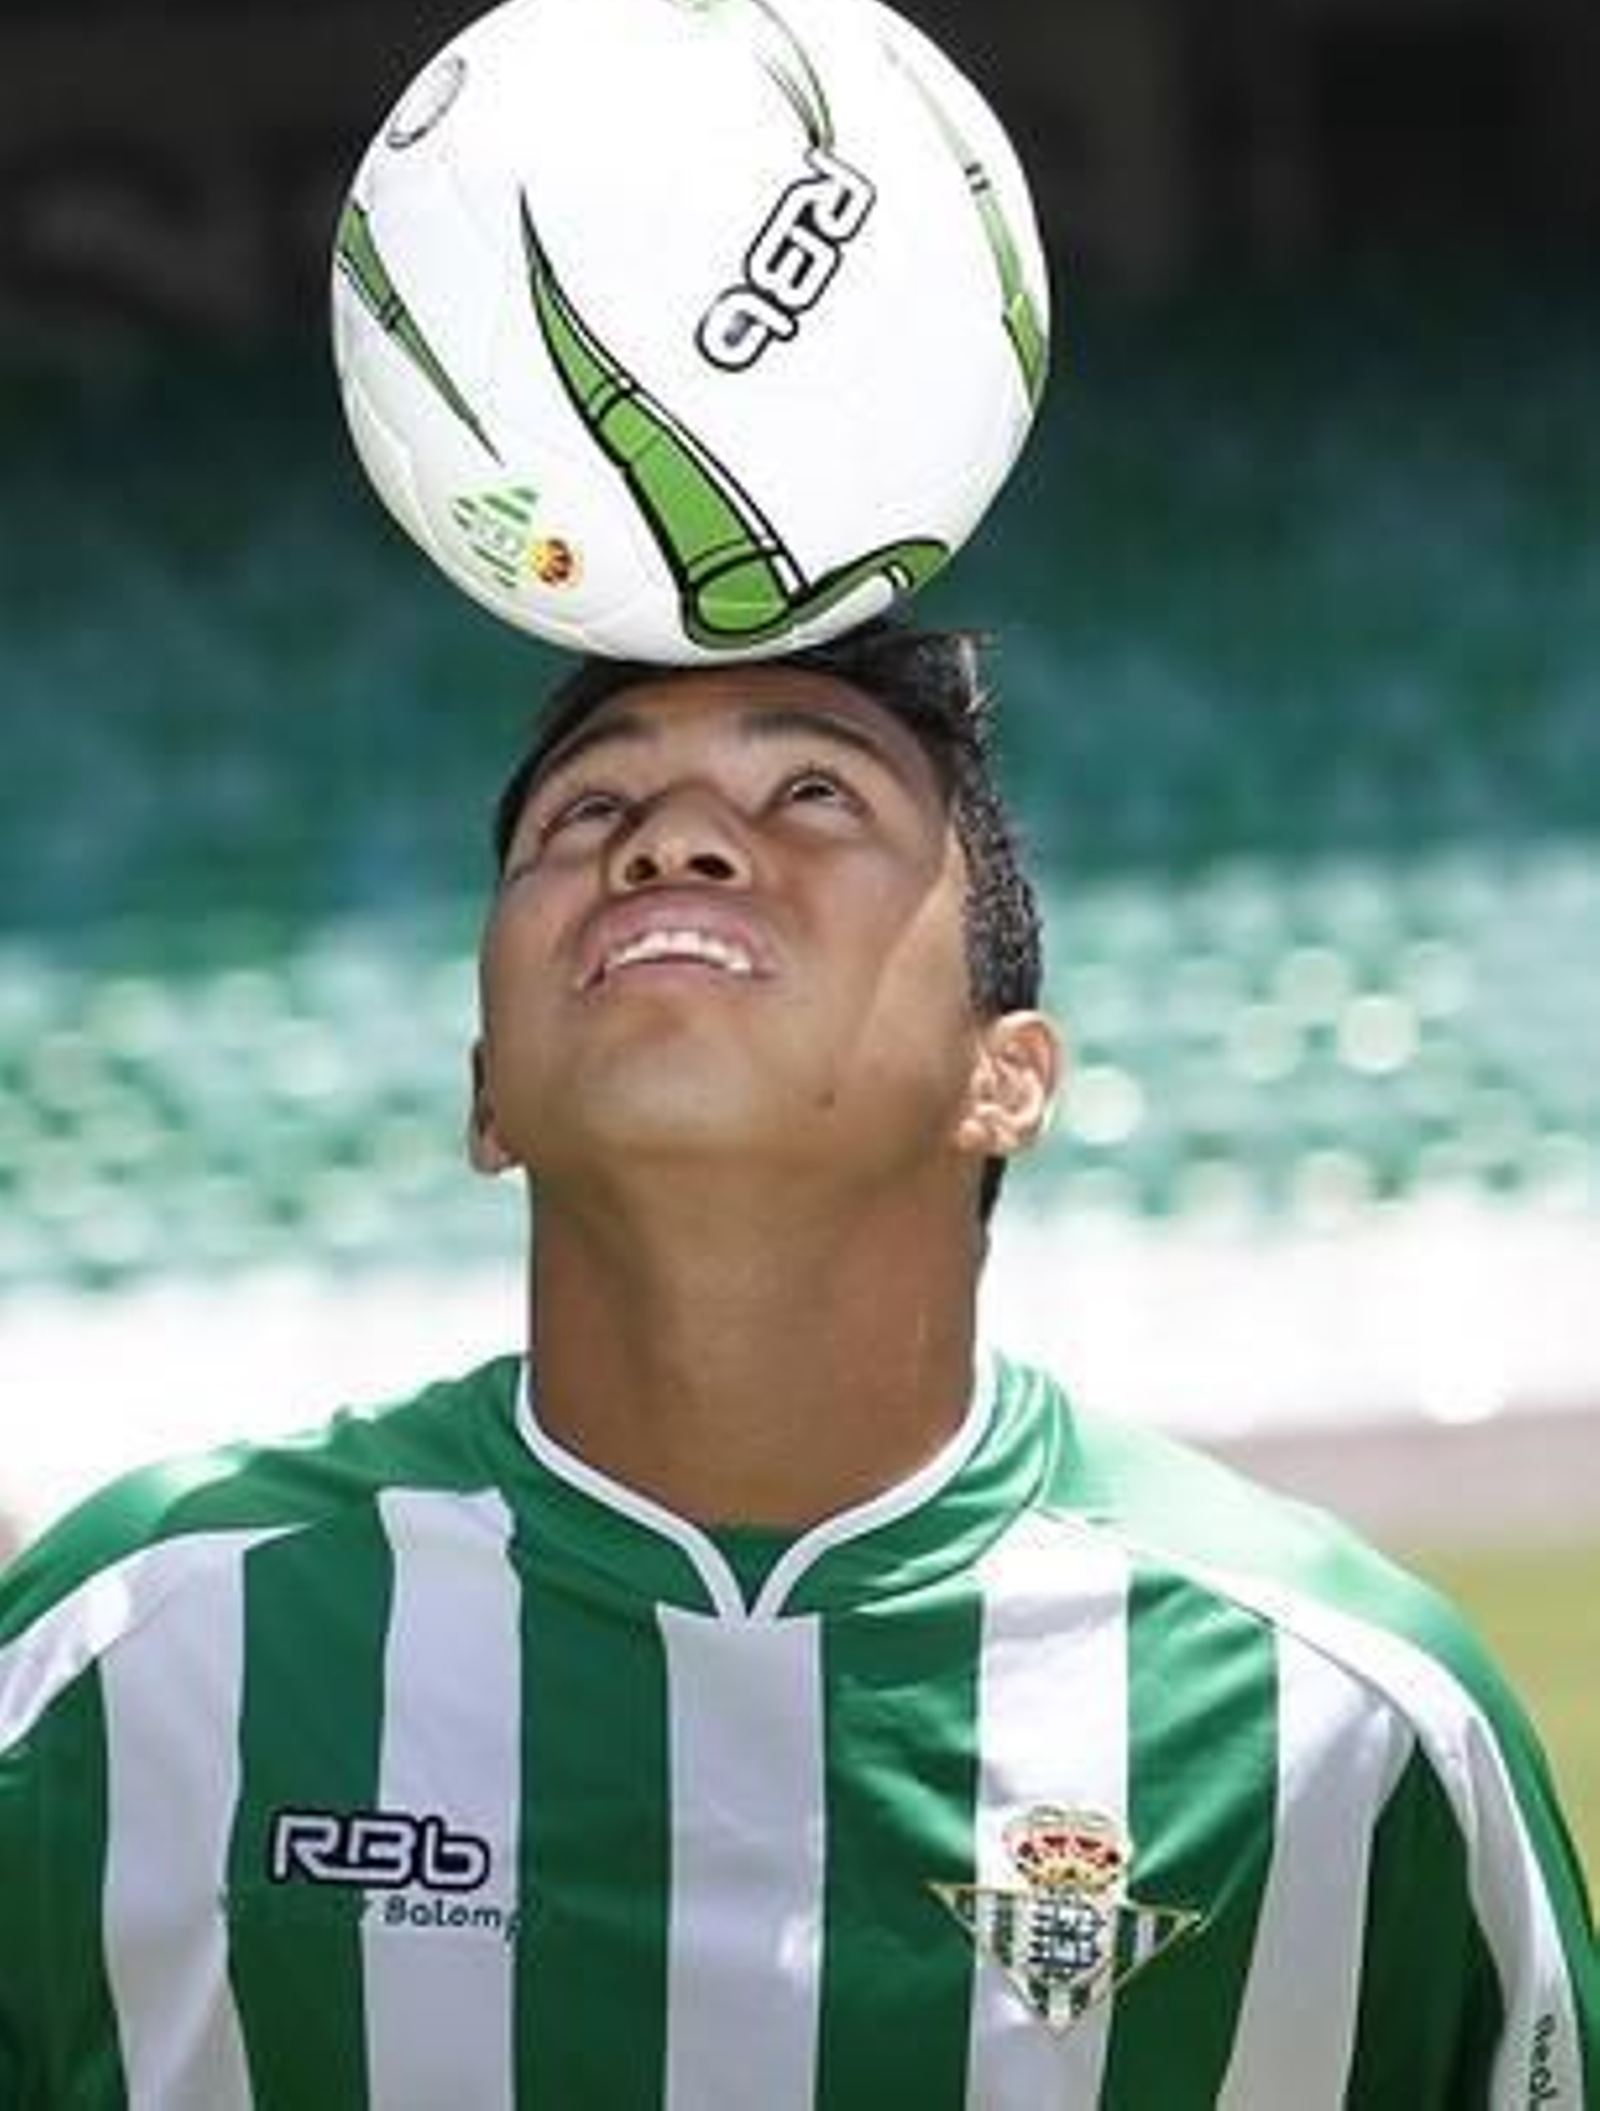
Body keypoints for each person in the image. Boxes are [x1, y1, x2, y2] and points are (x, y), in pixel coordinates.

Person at [0, 621, 1593, 2109]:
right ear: (487, 1096)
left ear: (1007, 1074)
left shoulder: (1349, 1724)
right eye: (589, 808)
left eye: (814, 790)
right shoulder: (131, 1651)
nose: (668, 840)